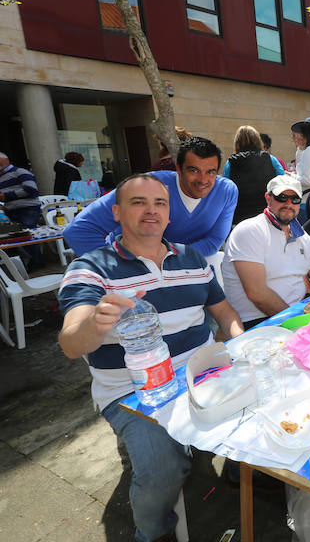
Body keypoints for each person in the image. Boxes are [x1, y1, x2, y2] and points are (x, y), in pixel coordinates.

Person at [57, 174, 244, 542]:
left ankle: (243, 479)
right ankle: (154, 533)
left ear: (169, 214)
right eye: (138, 202)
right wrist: (95, 321)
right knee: (163, 466)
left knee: (264, 407)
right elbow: (70, 344)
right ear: (116, 211)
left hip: (204, 372)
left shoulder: (191, 257)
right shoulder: (91, 268)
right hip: (135, 391)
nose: (151, 211)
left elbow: (224, 313)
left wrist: (241, 345)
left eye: (160, 203)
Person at [65, 137, 238, 259]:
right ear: (178, 169)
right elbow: (78, 230)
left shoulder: (226, 191)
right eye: (193, 170)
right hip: (134, 273)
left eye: (211, 172)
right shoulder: (148, 186)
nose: (202, 180)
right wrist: (118, 266)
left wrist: (168, 259)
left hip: (178, 271)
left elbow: (214, 241)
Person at [223, 175, 310, 329]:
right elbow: (257, 294)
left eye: (295, 199)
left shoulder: (301, 236)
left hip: (300, 312)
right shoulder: (250, 230)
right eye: (282, 197)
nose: (288, 204)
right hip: (263, 322)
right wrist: (300, 324)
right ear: (268, 198)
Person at [222, 125, 284, 226]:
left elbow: (225, 189)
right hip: (266, 215)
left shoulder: (231, 163)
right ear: (257, 140)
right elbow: (283, 180)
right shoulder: (270, 159)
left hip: (239, 217)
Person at [0, 152, 43, 267]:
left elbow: (31, 189)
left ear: (6, 160)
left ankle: (36, 262)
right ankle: (29, 262)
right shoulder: (1, 177)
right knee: (18, 237)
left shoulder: (20, 172)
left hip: (27, 208)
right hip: (11, 210)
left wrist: (6, 196)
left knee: (27, 235)